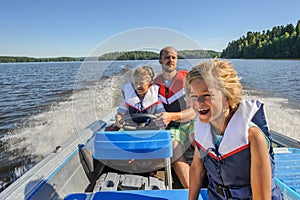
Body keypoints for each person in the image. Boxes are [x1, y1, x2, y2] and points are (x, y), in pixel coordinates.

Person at [186, 60, 282, 199]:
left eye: (207, 95)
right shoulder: (202, 129)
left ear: (227, 97)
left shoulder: (253, 137)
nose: (198, 103)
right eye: (193, 96)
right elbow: (196, 169)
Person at [153, 46, 196, 189]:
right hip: (170, 127)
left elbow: (195, 110)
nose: (170, 60)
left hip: (191, 121)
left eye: (174, 57)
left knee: (198, 139)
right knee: (173, 146)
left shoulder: (188, 79)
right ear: (160, 61)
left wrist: (172, 116)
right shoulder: (154, 84)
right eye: (167, 57)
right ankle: (192, 191)